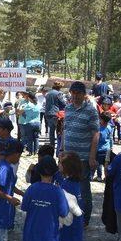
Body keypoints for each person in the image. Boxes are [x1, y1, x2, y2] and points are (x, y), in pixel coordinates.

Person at [61, 82, 99, 227]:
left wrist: (92, 156)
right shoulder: (68, 108)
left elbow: (96, 134)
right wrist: (61, 150)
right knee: (68, 186)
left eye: (78, 93)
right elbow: (65, 130)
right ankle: (70, 213)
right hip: (68, 156)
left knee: (83, 189)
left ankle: (85, 219)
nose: (75, 96)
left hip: (83, 158)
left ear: (84, 94)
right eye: (73, 93)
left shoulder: (91, 111)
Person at [54, 152, 84, 241]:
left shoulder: (66, 185)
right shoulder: (75, 182)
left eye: (60, 163)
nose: (58, 164)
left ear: (67, 167)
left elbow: (64, 204)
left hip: (67, 220)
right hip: (75, 219)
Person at [44, 81, 67, 146]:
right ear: (59, 87)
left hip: (48, 113)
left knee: (51, 131)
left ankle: (52, 145)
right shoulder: (59, 93)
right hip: (56, 114)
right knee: (58, 130)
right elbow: (63, 103)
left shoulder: (48, 93)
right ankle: (59, 146)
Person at [95, 112, 114, 181]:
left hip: (99, 149)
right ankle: (106, 177)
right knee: (106, 164)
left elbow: (96, 139)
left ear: (101, 119)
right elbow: (111, 138)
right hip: (108, 149)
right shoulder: (109, 127)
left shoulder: (98, 128)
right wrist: (111, 146)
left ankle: (99, 176)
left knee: (98, 164)